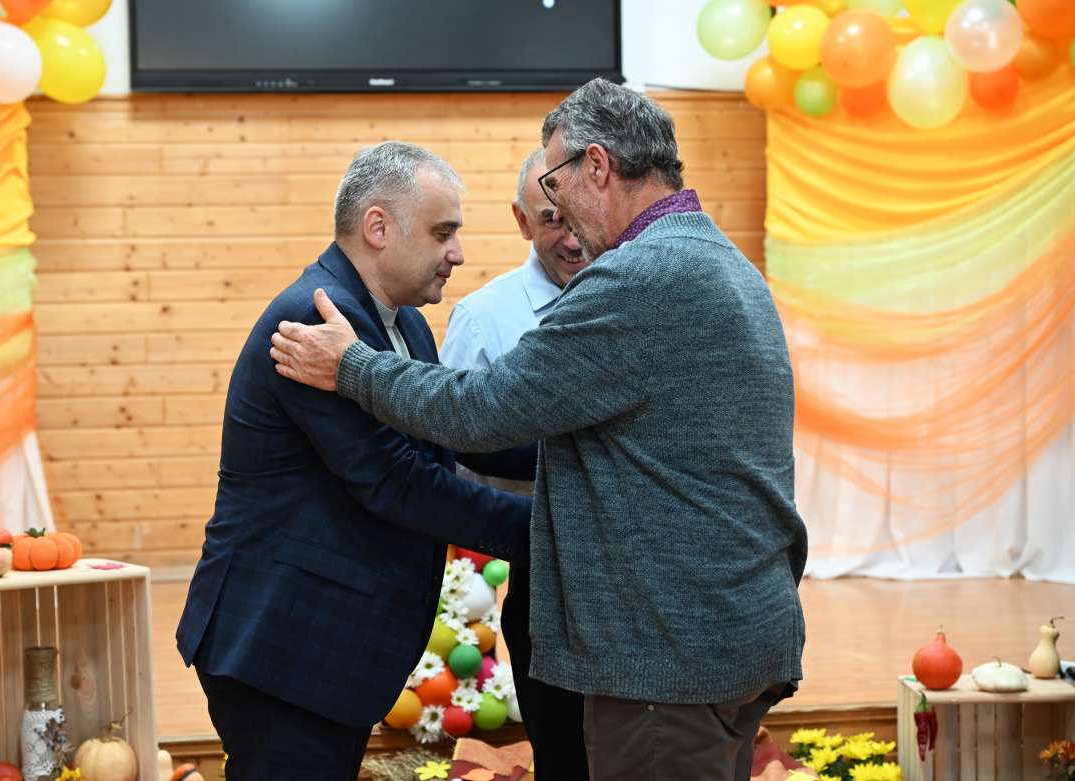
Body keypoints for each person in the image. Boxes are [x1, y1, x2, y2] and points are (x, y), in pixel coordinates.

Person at [269, 78, 808, 781]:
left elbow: (481, 409)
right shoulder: (721, 261)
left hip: (668, 651)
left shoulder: (639, 276)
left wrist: (352, 366)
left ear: (597, 166)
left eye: (555, 181)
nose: (558, 212)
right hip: (732, 626)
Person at [176, 141, 536, 780]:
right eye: (443, 232)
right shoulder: (314, 319)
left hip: (327, 651)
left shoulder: (405, 322)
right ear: (378, 227)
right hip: (282, 647)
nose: (457, 253)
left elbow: (447, 435)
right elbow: (396, 481)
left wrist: (570, 459)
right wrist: (551, 530)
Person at [439, 148, 589, 780]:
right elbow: (451, 452)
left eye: (578, 217)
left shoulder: (644, 304)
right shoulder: (483, 318)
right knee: (561, 754)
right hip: (541, 579)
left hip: (641, 588)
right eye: (551, 219)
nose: (572, 237)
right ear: (522, 221)